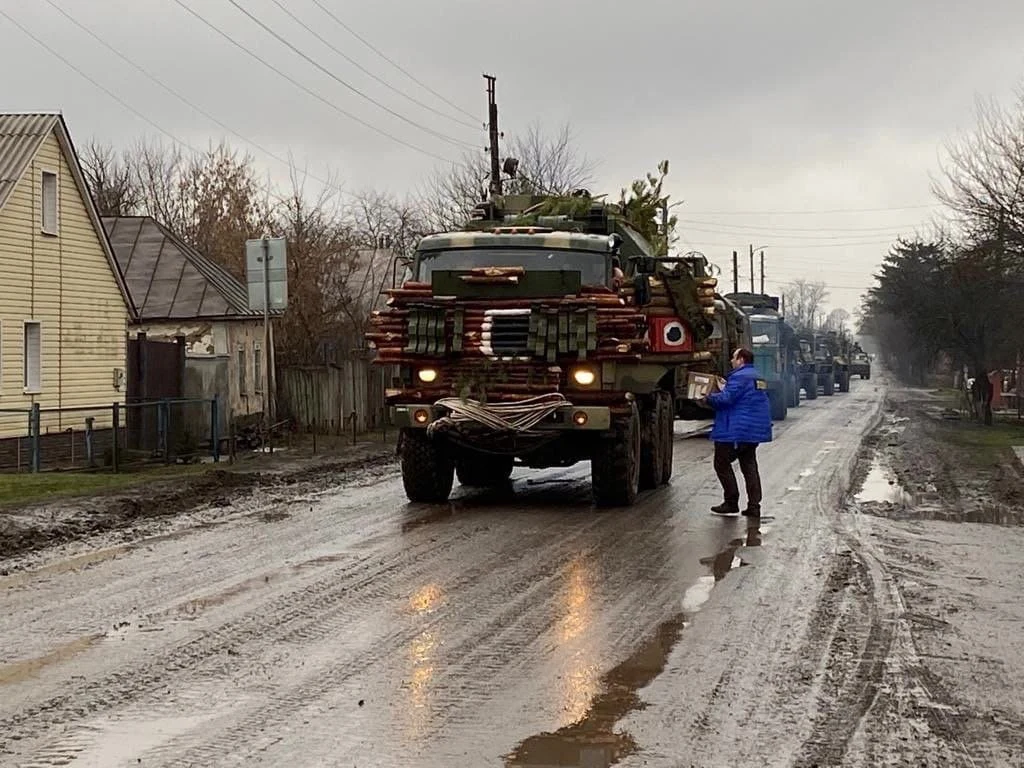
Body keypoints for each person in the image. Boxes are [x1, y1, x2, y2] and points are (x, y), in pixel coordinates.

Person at [703, 347, 773, 518]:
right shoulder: (758, 377)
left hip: (735, 430)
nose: (731, 361)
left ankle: (731, 501)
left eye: (734, 358)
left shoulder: (740, 377)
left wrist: (708, 397)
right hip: (752, 431)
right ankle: (754, 506)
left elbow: (727, 399)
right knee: (749, 466)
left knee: (721, 463)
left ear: (741, 359)